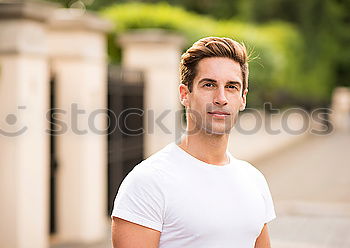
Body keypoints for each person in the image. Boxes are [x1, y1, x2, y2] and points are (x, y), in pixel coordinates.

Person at [111, 37, 276, 248]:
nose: (221, 98)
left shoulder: (254, 179)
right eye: (209, 85)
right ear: (185, 94)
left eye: (232, 87)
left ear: (243, 98)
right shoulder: (148, 182)